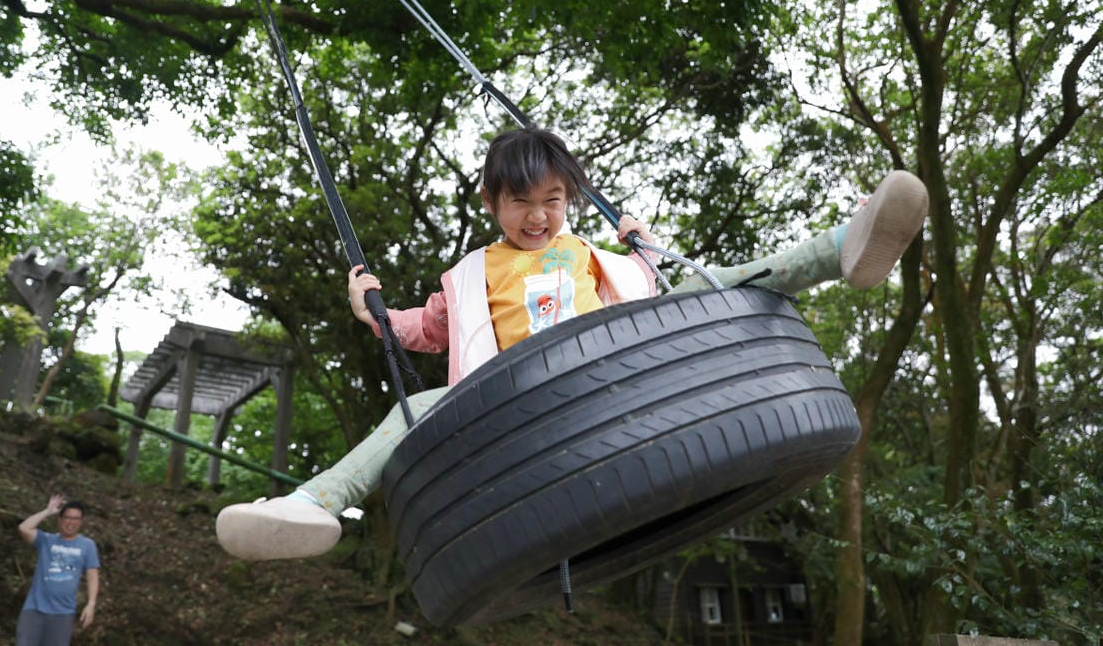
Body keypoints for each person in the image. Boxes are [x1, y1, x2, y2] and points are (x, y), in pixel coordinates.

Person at [216, 127, 928, 561]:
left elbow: (648, 287)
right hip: (514, 393)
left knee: (715, 286)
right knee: (415, 409)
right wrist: (372, 310)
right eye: (522, 202)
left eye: (553, 200)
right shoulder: (471, 273)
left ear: (569, 202)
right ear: (493, 204)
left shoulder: (588, 250)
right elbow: (425, 332)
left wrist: (642, 247)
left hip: (610, 363)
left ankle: (843, 247)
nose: (538, 215)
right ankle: (314, 504)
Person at [16, 494, 100, 646]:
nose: (71, 522)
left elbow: (92, 574)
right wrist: (47, 511)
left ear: (81, 522)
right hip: (35, 609)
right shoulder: (46, 540)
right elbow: (23, 528)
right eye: (68, 517)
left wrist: (91, 603)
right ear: (60, 520)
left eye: (76, 519)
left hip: (63, 612)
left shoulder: (87, 545)